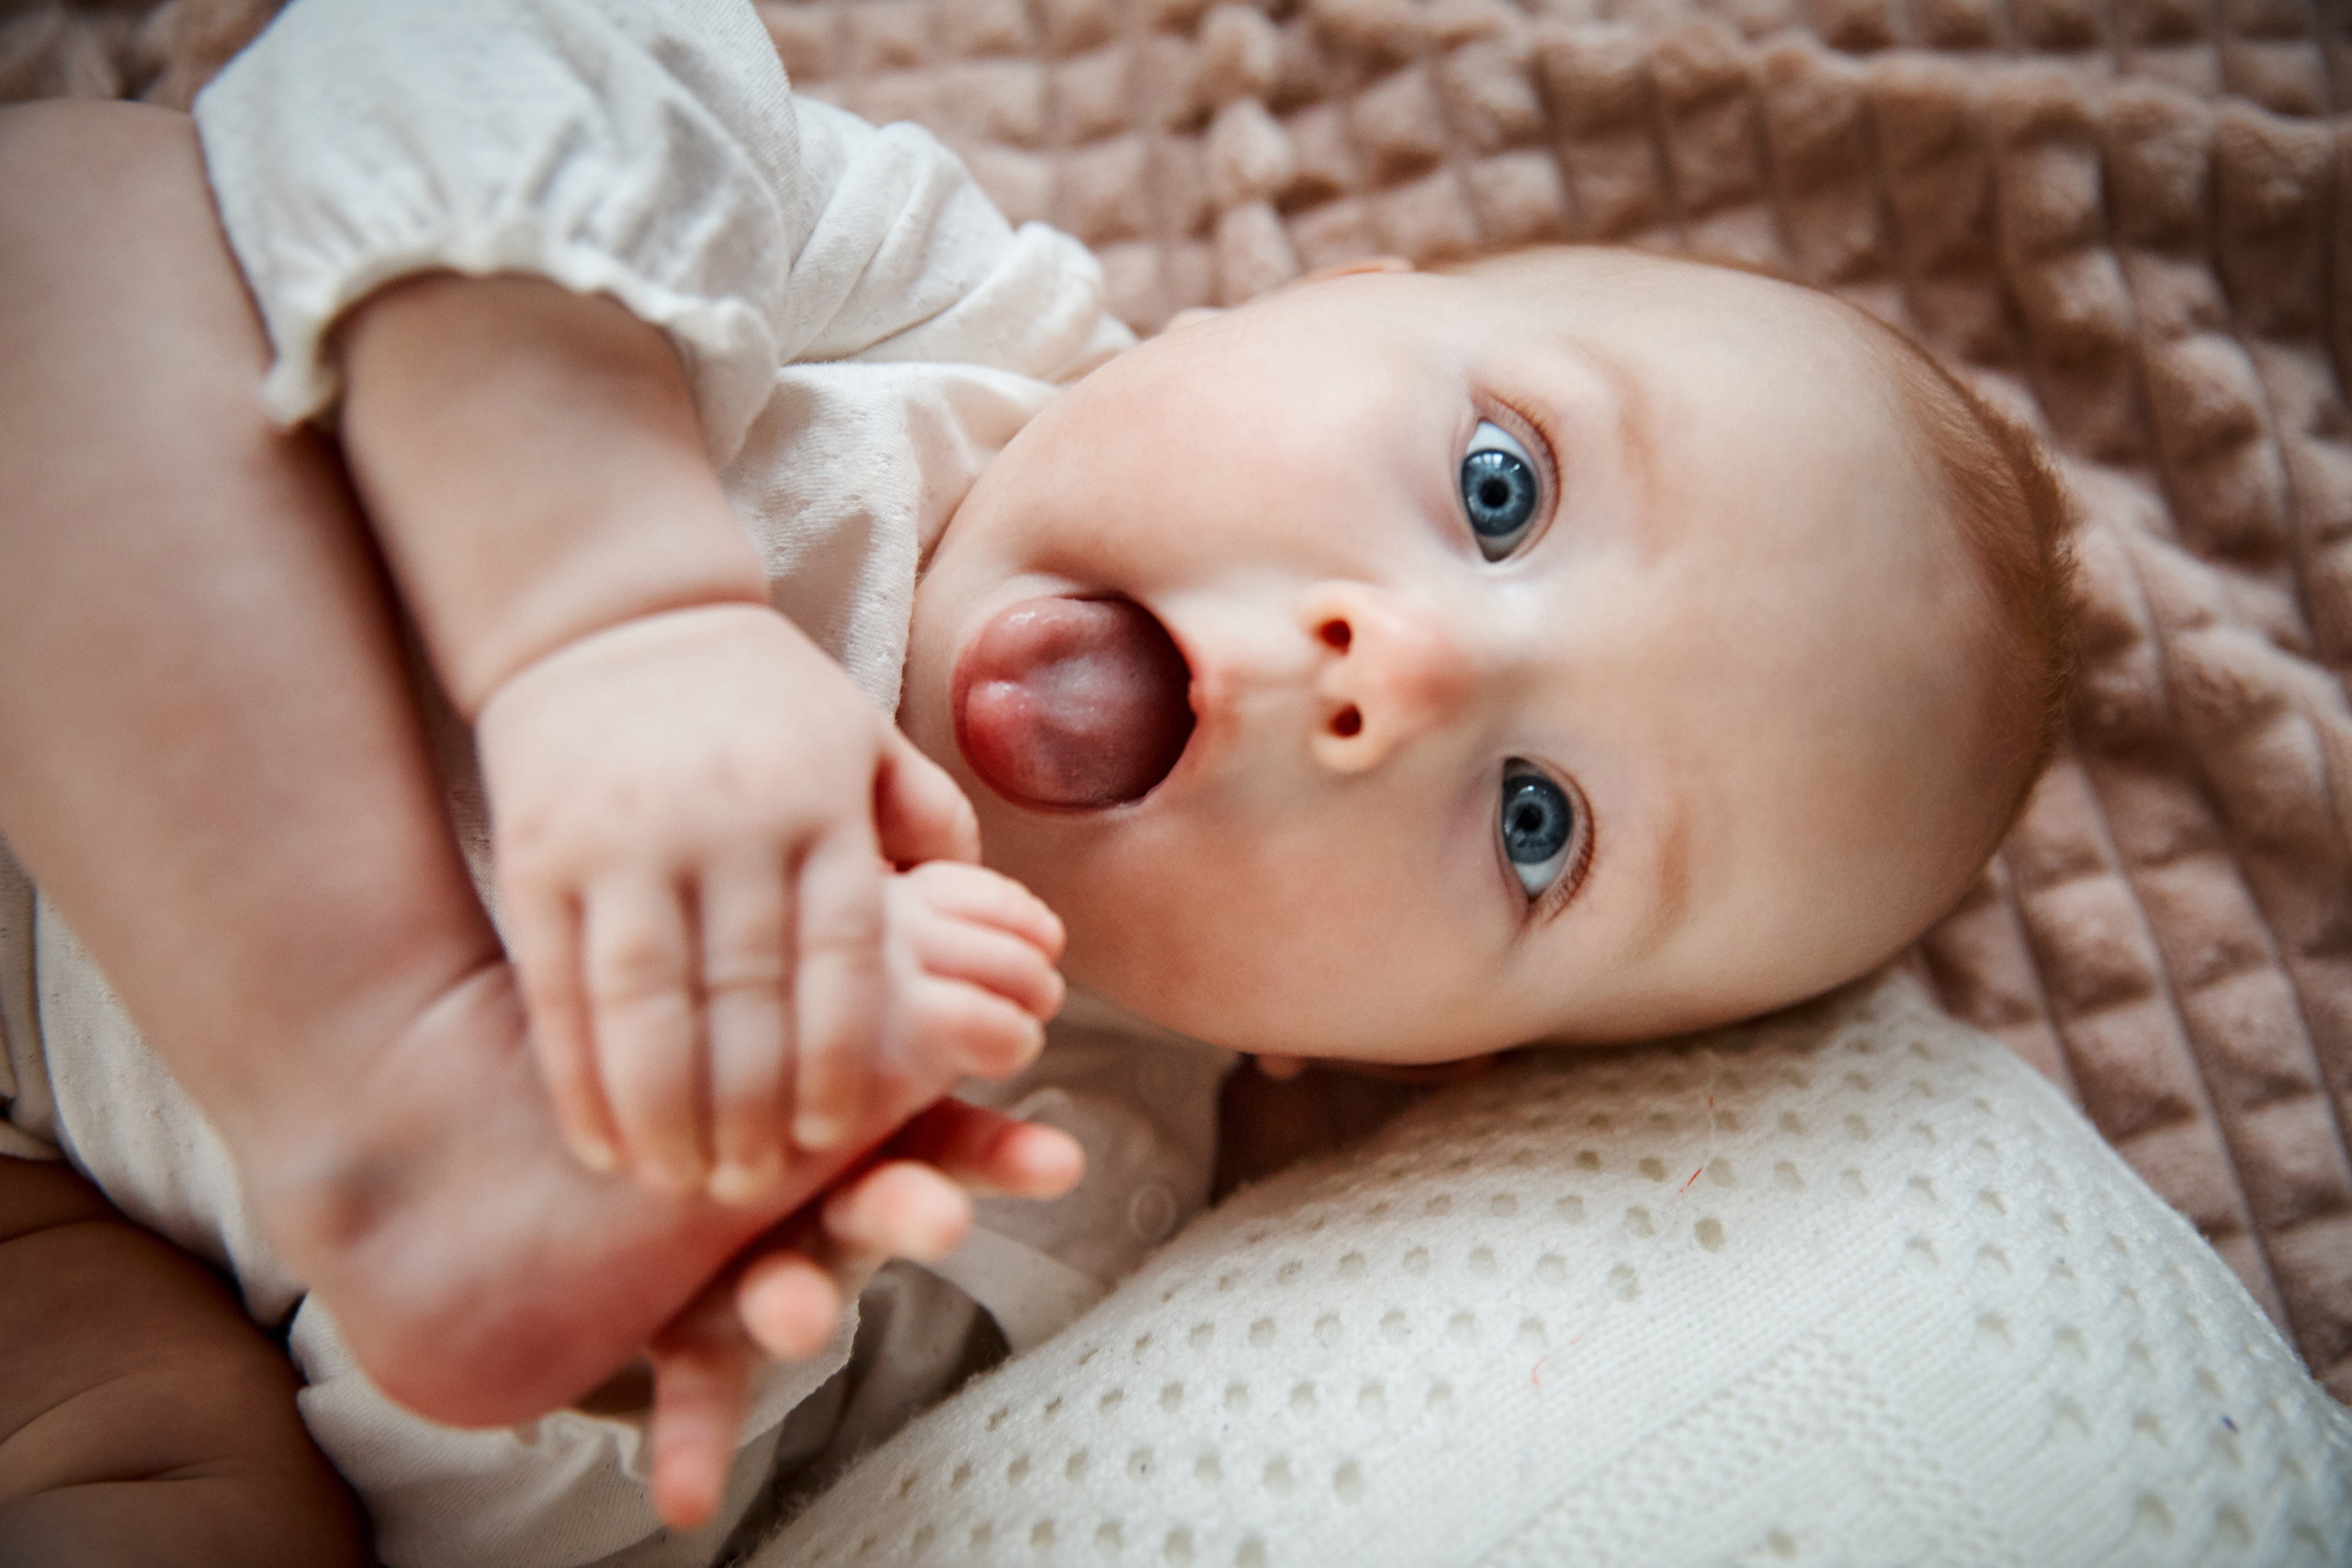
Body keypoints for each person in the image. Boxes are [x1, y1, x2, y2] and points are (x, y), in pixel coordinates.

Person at [0, 0, 2072, 1561]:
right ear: (1331, 300)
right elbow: (437, 67)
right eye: (1497, 484)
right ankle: (391, 1067)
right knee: (85, 229)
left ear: (1425, 1060)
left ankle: (424, 1152)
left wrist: (622, 1344)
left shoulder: (1029, 1180)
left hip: (64, 1220)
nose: (1405, 669)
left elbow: (587, 1521)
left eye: (1539, 824)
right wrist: (605, 603)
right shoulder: (925, 320)